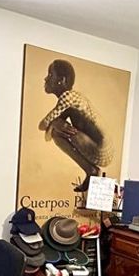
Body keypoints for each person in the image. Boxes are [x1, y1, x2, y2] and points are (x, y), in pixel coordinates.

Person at [39, 60, 111, 192]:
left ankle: (91, 171)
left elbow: (43, 125)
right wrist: (55, 123)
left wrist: (54, 123)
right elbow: (47, 130)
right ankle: (91, 171)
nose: (46, 79)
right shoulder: (71, 99)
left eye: (50, 75)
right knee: (57, 127)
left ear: (61, 80)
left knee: (56, 131)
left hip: (101, 149)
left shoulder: (68, 96)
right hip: (99, 145)